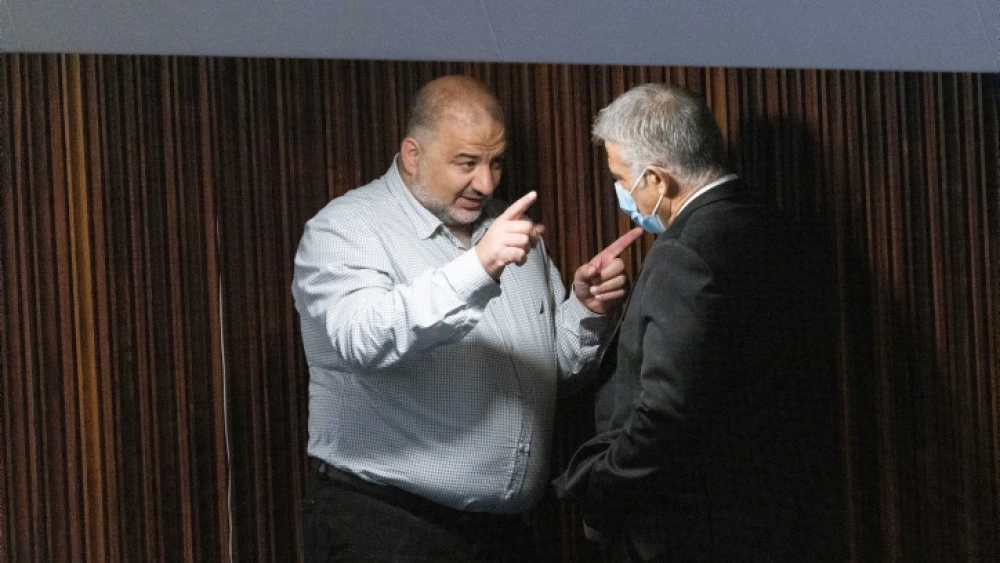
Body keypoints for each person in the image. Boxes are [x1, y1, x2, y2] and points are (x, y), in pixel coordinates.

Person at [292, 75, 642, 562]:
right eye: (466, 163)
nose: (487, 183)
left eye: (496, 163)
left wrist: (586, 310)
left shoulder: (506, 228)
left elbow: (549, 371)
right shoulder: (345, 228)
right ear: (412, 155)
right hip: (386, 528)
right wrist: (480, 267)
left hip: (503, 536)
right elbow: (362, 339)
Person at [553, 84, 842, 562]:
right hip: (772, 516)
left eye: (621, 178)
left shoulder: (684, 252)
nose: (620, 193)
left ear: (657, 181)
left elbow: (665, 415)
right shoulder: (771, 224)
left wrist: (601, 497)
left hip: (688, 529)